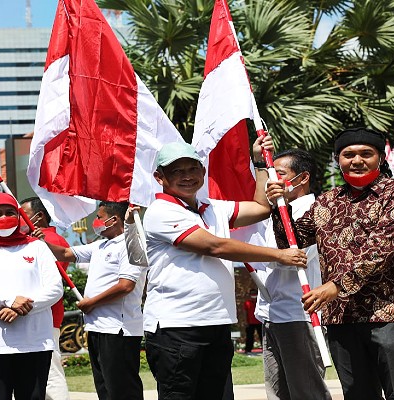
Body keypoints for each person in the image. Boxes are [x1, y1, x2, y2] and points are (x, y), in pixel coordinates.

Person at [124, 139, 307, 399]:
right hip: (176, 328)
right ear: (159, 177)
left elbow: (260, 208)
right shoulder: (160, 211)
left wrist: (258, 163)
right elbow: (215, 246)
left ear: (202, 171)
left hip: (217, 323)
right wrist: (279, 255)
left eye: (192, 169)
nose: (187, 176)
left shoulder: (213, 207)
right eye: (177, 171)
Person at [267, 127, 394, 400]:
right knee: (357, 394)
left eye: (366, 154)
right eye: (348, 154)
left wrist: (336, 286)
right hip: (342, 317)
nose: (357, 160)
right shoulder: (327, 201)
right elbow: (292, 240)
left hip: (390, 313)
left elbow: (383, 249)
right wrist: (278, 205)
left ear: (380, 158)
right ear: (338, 159)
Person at [37, 201, 145, 400]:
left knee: (121, 388)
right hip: (97, 327)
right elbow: (66, 254)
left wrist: (92, 302)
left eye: (99, 217)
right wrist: (42, 241)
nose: (95, 222)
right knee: (104, 387)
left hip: (118, 328)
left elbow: (126, 286)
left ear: (113, 220)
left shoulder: (131, 243)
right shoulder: (101, 245)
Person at [0, 193, 63, 399]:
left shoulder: (36, 246)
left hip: (35, 342)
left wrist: (21, 307)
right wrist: (5, 301)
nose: (4, 217)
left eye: (10, 212)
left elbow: (55, 288)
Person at [253, 148, 331, 400]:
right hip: (272, 313)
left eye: (281, 174)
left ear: (303, 178)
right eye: (271, 173)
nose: (273, 180)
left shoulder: (314, 212)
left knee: (306, 391)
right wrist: (258, 161)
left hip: (299, 314)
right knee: (277, 391)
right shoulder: (274, 211)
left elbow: (289, 258)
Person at [20, 197, 71, 400]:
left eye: (22, 214)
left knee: (50, 372)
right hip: (32, 316)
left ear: (38, 216)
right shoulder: (31, 240)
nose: (18, 218)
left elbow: (50, 282)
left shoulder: (53, 242)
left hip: (45, 316)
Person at [243, 289, 262, 354]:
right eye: (252, 293)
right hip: (250, 323)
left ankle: (265, 349)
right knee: (249, 337)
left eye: (254, 293)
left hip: (260, 322)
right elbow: (245, 312)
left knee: (262, 336)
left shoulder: (260, 302)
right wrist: (245, 321)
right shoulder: (247, 303)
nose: (253, 295)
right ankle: (248, 350)